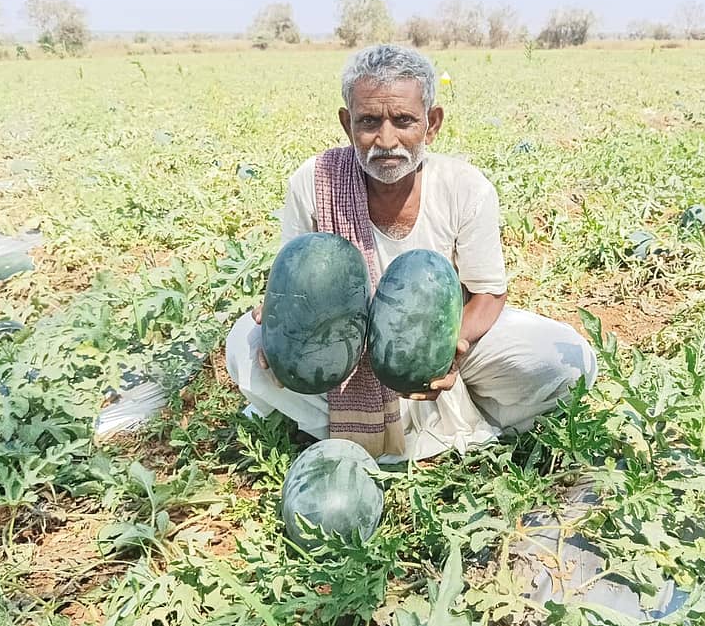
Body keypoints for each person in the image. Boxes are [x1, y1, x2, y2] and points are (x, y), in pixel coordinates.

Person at [226, 44, 597, 463]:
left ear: (431, 123)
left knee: (564, 358)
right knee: (243, 344)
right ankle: (399, 426)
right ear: (347, 123)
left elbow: (489, 292)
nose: (386, 141)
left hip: (436, 346)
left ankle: (398, 421)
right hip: (346, 353)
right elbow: (298, 278)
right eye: (369, 122)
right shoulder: (314, 182)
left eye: (403, 121)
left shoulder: (465, 188)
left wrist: (445, 350)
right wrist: (284, 325)